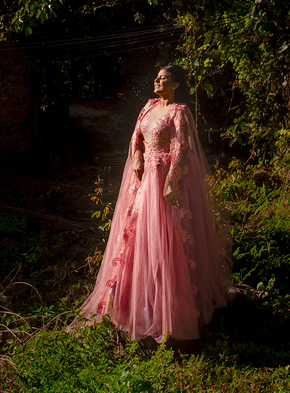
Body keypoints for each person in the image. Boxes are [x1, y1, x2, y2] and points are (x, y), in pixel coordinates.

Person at [78, 65, 231, 342]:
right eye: (156, 77)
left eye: (163, 78)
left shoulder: (179, 111)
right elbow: (136, 137)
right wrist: (137, 157)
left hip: (164, 179)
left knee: (166, 242)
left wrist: (171, 182)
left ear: (175, 84)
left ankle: (171, 311)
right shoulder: (148, 107)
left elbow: (181, 148)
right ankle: (137, 306)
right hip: (143, 180)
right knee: (139, 239)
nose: (157, 80)